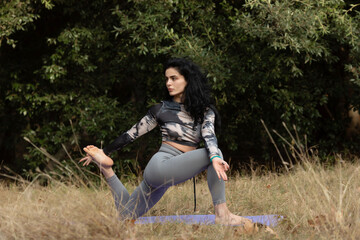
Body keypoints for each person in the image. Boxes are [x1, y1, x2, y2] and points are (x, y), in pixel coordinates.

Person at [79, 58, 253, 225]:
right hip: (160, 165)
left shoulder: (205, 111)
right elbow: (131, 134)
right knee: (214, 154)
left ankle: (106, 169)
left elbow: (209, 136)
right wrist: (106, 150)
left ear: (188, 80)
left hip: (167, 172)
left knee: (126, 214)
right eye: (167, 79)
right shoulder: (160, 109)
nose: (168, 83)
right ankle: (222, 215)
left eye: (174, 78)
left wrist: (103, 159)